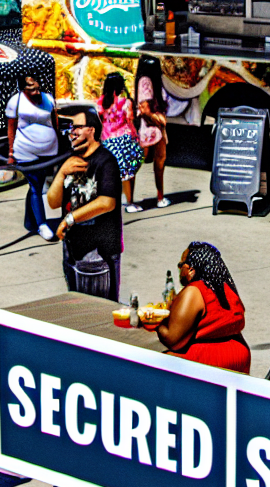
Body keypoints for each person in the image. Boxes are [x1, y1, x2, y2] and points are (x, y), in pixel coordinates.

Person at [46, 108, 123, 300]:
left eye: (77, 127)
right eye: (70, 127)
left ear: (92, 130)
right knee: (78, 308)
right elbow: (53, 202)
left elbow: (107, 202)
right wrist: (62, 172)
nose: (72, 132)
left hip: (99, 253)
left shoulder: (106, 161)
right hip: (72, 251)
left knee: (100, 310)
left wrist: (69, 219)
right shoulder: (69, 160)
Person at [157, 242, 250, 373]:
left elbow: (173, 340)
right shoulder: (227, 288)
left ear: (190, 269)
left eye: (181, 265)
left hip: (209, 362)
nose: (179, 269)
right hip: (239, 359)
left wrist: (155, 322)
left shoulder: (194, 291)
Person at [6, 74, 59, 240]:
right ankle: (42, 225)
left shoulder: (48, 98)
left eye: (37, 88)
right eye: (31, 89)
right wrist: (11, 152)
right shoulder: (15, 101)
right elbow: (11, 127)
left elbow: (54, 121)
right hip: (25, 151)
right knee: (36, 186)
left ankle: (30, 221)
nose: (36, 92)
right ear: (23, 89)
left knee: (37, 184)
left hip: (48, 151)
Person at [98, 73, 145, 213]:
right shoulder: (125, 102)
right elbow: (130, 118)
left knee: (114, 174)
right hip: (124, 140)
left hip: (107, 141)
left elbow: (100, 119)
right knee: (129, 173)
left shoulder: (100, 102)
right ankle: (130, 202)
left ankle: (116, 200)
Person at [134, 56, 169, 209]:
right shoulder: (146, 81)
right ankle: (130, 199)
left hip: (156, 130)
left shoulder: (148, 81)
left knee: (157, 163)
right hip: (149, 129)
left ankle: (159, 197)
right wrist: (160, 120)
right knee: (138, 164)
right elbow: (145, 109)